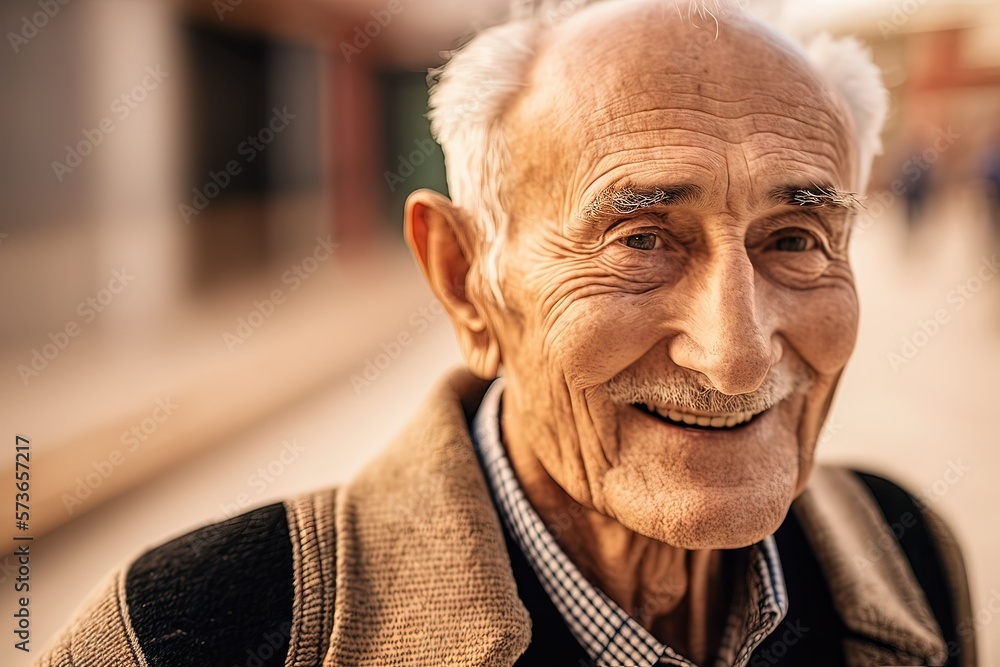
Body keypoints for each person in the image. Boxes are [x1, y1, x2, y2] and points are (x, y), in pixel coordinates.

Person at [35, 1, 976, 665]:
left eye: (795, 239)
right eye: (641, 239)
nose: (734, 356)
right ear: (464, 281)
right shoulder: (188, 633)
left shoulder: (909, 555)